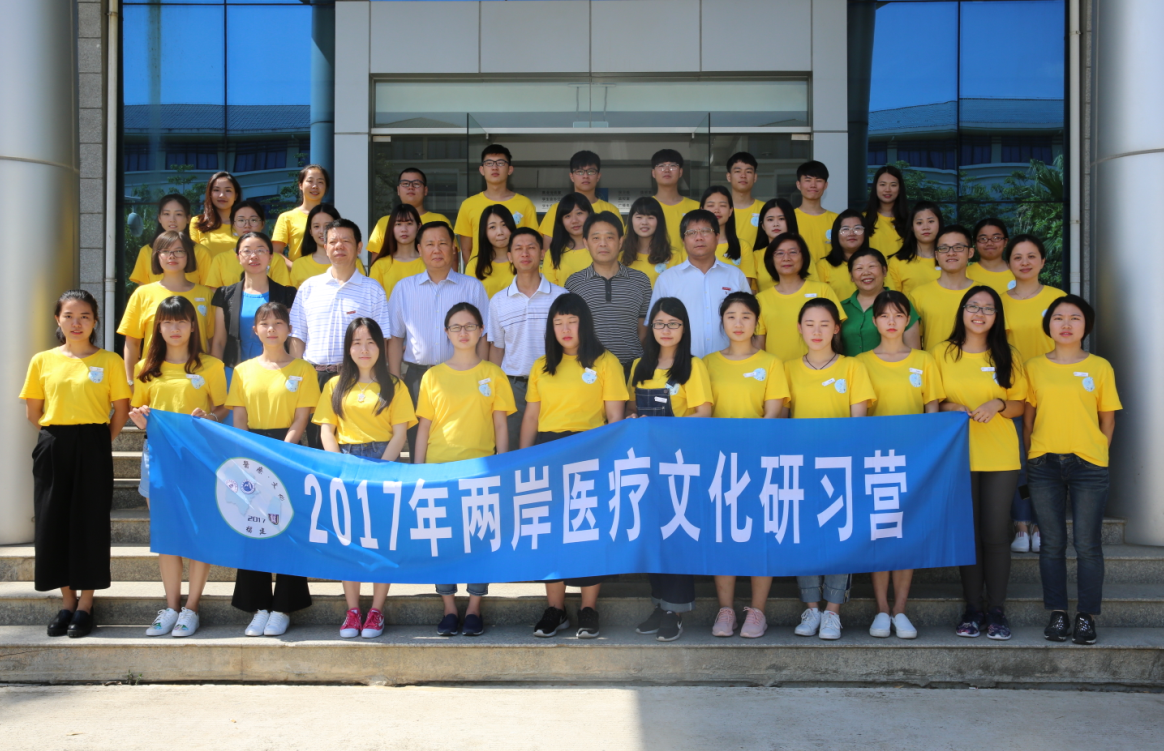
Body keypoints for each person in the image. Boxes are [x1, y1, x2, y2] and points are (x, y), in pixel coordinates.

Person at [20, 290, 131, 638]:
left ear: (95, 321)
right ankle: (66, 602)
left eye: (84, 316)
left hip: (94, 443)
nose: (76, 322)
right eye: (69, 315)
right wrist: (60, 438)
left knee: (90, 522)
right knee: (53, 522)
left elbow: (121, 411)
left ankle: (85, 604)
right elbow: (33, 412)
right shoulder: (42, 360)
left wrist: (97, 442)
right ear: (58, 319)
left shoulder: (110, 360)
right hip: (54, 444)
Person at [522, 293, 627, 639]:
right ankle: (555, 609)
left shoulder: (606, 362)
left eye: (572, 321)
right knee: (551, 531)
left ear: (585, 323)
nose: (565, 329)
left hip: (591, 450)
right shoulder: (541, 366)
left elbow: (614, 417)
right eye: (558, 322)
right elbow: (532, 416)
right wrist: (524, 459)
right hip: (548, 452)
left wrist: (610, 459)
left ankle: (588, 608)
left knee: (587, 529)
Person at [128, 296, 228, 638]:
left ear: (192, 326)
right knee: (167, 532)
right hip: (158, 455)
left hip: (198, 457)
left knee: (197, 530)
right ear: (158, 327)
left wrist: (210, 417)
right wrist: (141, 420)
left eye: (182, 321)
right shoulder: (145, 367)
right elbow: (139, 410)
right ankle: (171, 607)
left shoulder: (211, 366)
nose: (175, 328)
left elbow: (223, 408)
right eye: (168, 322)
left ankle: (192, 608)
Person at [414, 303, 516, 637]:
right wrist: (418, 472)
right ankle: (448, 608)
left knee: (479, 539)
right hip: (439, 470)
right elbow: (424, 428)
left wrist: (502, 466)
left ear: (481, 331)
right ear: (446, 333)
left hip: (481, 470)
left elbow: (500, 426)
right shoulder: (432, 376)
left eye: (470, 326)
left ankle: (473, 608)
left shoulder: (494, 374)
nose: (463, 333)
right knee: (442, 540)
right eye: (456, 327)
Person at [1024, 295, 1121, 645]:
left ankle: (1086, 617)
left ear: (1086, 325)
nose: (1066, 324)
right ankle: (1058, 614)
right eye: (1058, 317)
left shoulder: (1100, 367)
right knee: (1051, 543)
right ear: (1048, 325)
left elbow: (1108, 420)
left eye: (1074, 318)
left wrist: (1097, 456)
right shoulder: (1034, 367)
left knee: (1087, 544)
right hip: (1044, 464)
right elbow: (1029, 419)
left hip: (1088, 466)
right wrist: (1033, 455)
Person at [314, 318, 417, 639]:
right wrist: (339, 467)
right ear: (348, 348)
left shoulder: (394, 385)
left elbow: (400, 434)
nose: (364, 349)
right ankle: (353, 610)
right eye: (357, 342)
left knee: (381, 539)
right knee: (349, 539)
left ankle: (376, 610)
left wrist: (380, 471)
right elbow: (326, 430)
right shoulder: (334, 385)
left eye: (370, 342)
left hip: (383, 462)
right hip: (345, 463)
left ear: (381, 347)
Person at [936, 286, 1027, 640]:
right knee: (968, 533)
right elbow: (933, 401)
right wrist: (951, 407)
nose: (979, 313)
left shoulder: (1008, 354)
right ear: (962, 311)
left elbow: (1020, 404)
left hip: (1000, 455)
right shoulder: (942, 353)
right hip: (958, 455)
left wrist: (998, 404)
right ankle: (973, 609)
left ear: (997, 316)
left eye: (988, 308)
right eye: (973, 306)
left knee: (995, 532)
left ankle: (997, 610)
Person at [224, 301, 318, 637]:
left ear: (289, 329)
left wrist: (281, 453)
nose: (272, 329)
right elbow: (239, 417)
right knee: (254, 529)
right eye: (265, 323)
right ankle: (259, 606)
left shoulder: (303, 369)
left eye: (279, 323)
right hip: (252, 453)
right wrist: (249, 457)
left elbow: (301, 418)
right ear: (255, 330)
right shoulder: (243, 370)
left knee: (288, 528)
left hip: (289, 452)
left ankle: (283, 608)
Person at [856, 290, 945, 639]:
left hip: (915, 461)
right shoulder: (860, 362)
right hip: (876, 461)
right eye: (884, 315)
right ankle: (881, 610)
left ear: (908, 320)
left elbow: (932, 412)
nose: (891, 321)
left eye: (898, 315)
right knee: (880, 534)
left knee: (906, 534)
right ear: (874, 321)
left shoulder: (924, 360)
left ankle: (901, 610)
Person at [784, 298, 874, 640]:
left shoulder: (853, 367)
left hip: (840, 465)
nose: (817, 331)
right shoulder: (787, 369)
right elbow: (781, 422)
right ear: (799, 328)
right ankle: (811, 608)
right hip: (800, 466)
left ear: (837, 328)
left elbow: (859, 423)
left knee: (840, 535)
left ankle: (833, 611)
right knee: (803, 535)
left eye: (824, 324)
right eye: (809, 324)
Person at [626, 298, 713, 642]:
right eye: (660, 323)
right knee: (651, 534)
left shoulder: (693, 366)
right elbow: (630, 407)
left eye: (673, 324)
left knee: (675, 533)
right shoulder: (639, 365)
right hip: (645, 464)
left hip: (680, 463)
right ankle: (660, 604)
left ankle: (675, 611)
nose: (666, 330)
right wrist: (635, 418)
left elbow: (704, 413)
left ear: (684, 328)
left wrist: (668, 427)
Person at [705, 292, 789, 639]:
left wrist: (753, 446)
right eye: (731, 316)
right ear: (722, 322)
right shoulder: (706, 363)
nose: (738, 323)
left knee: (760, 534)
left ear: (757, 322)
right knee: (723, 534)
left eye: (746, 317)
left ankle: (757, 611)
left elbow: (775, 412)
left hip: (759, 460)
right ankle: (726, 609)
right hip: (719, 462)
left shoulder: (771, 363)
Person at [387, 221, 490, 453]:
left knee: (458, 439)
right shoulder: (404, 288)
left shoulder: (472, 287)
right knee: (417, 439)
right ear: (419, 249)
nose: (437, 249)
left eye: (443, 243)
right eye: (430, 244)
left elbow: (484, 337)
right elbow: (395, 338)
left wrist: (481, 375)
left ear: (453, 247)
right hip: (417, 377)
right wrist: (395, 380)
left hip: (463, 375)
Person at [288, 218, 391, 449]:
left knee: (353, 445)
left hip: (357, 378)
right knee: (316, 445)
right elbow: (297, 337)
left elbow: (381, 340)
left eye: (346, 241)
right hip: (314, 378)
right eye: (333, 241)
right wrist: (297, 379)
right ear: (325, 247)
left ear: (359, 247)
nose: (339, 246)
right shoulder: (309, 287)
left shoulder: (372, 289)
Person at [1003, 235, 1066, 553]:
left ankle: (1043, 524)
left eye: (1031, 256)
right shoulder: (998, 302)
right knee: (1019, 462)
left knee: (1049, 461)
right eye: (1017, 257)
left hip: (1051, 392)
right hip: (1014, 394)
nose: (1025, 262)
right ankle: (1021, 524)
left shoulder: (1058, 299)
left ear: (1043, 261)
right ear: (1008, 263)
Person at [487, 228, 567, 451]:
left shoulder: (561, 297)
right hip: (514, 388)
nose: (525, 253)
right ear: (510, 256)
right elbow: (497, 349)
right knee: (514, 452)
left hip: (554, 383)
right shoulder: (498, 301)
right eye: (518, 249)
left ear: (542, 253)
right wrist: (495, 390)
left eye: (531, 247)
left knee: (554, 451)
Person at [118, 230, 216, 386]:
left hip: (197, 380)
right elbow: (132, 343)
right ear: (157, 256)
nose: (172, 256)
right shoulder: (142, 294)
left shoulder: (206, 294)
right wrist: (131, 382)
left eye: (179, 251)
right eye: (165, 251)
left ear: (189, 255)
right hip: (154, 379)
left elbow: (212, 340)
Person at [650, 210, 750, 358]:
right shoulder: (667, 279)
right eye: (691, 233)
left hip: (729, 363)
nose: (699, 237)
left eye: (705, 231)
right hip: (682, 364)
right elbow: (655, 326)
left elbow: (749, 320)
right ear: (683, 240)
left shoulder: (735, 276)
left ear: (717, 237)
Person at [564, 212, 652, 375]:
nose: (603, 244)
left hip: (632, 370)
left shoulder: (640, 280)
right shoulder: (574, 283)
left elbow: (644, 330)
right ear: (586, 243)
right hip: (589, 370)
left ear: (620, 242)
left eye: (609, 237)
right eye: (596, 238)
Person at [210, 232, 297, 373]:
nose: (254, 256)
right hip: (234, 372)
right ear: (238, 257)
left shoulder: (286, 294)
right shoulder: (225, 295)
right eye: (247, 251)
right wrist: (216, 375)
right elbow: (219, 342)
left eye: (260, 250)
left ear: (270, 257)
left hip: (277, 371)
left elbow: (292, 339)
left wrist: (294, 371)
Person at [754, 233, 846, 363]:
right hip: (778, 371)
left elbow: (836, 334)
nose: (786, 258)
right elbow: (759, 343)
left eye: (793, 252)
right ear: (771, 260)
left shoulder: (822, 290)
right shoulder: (761, 299)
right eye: (779, 253)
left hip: (819, 368)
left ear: (804, 257)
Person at [454, 145, 539, 264]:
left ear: (510, 169)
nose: (494, 167)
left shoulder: (525, 204)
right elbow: (466, 249)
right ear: (482, 170)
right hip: (480, 273)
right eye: (489, 163)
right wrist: (474, 272)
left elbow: (533, 244)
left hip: (516, 273)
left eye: (500, 163)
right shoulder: (468, 205)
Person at [840, 247, 921, 356]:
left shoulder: (901, 304)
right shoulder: (841, 308)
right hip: (849, 367)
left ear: (884, 270)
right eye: (859, 268)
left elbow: (914, 353)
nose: (866, 272)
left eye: (872, 266)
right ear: (851, 276)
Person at [909, 225, 977, 351]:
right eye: (944, 248)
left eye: (958, 247)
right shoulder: (918, 295)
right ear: (936, 254)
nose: (951, 253)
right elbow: (913, 348)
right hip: (932, 363)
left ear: (970, 252)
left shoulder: (984, 294)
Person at [202, 200, 293, 288]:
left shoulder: (275, 259)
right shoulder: (220, 260)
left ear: (262, 223)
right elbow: (214, 293)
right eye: (241, 220)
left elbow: (282, 293)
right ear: (233, 225)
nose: (247, 225)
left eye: (253, 220)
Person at [539, 150, 624, 243]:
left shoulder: (611, 210)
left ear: (598, 176)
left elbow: (618, 244)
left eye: (591, 171)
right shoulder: (556, 209)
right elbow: (548, 247)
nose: (585, 176)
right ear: (571, 176)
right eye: (580, 172)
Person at [366, 167, 452, 259]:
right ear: (398, 190)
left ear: (425, 190)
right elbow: (376, 261)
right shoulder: (384, 222)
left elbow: (451, 258)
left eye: (416, 184)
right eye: (405, 184)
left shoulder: (440, 220)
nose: (411, 187)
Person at [128, 194, 213, 286]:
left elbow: (209, 291)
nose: (172, 220)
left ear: (188, 218)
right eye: (166, 214)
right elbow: (143, 291)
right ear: (159, 218)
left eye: (178, 214)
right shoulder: (146, 251)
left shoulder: (202, 252)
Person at [291, 204, 367, 289]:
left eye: (327, 226)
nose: (322, 231)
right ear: (310, 231)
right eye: (316, 226)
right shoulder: (299, 265)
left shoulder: (354, 262)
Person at [272, 164, 330, 269]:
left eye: (320, 182)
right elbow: (276, 252)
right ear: (300, 185)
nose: (315, 186)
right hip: (298, 276)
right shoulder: (286, 217)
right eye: (310, 181)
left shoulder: (332, 217)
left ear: (326, 187)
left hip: (328, 274)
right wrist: (297, 269)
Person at [619, 196, 685, 286]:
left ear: (659, 221)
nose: (644, 222)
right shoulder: (619, 259)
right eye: (639, 217)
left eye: (650, 217)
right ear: (631, 220)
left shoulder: (674, 258)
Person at [701, 185, 757, 284]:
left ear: (730, 211)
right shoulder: (692, 246)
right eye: (711, 205)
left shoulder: (743, 247)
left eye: (722, 205)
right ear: (702, 210)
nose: (716, 210)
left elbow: (745, 287)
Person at [366, 204, 423, 299]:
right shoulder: (380, 266)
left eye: (409, 223)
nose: (404, 229)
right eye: (398, 224)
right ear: (391, 228)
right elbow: (372, 302)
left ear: (419, 227)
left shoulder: (429, 263)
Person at [887, 201, 943, 296]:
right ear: (912, 227)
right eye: (919, 223)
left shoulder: (950, 258)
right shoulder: (897, 262)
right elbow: (893, 300)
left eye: (931, 221)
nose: (925, 227)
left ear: (939, 223)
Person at [650, 149, 701, 252]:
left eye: (673, 166)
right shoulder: (644, 207)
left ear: (680, 172)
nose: (667, 170)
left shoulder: (697, 208)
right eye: (661, 166)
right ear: (653, 173)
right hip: (654, 262)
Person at [792, 160, 838, 274]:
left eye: (818, 180)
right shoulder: (788, 218)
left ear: (825, 185)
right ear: (798, 184)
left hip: (830, 278)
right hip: (798, 278)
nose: (813, 185)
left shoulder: (837, 220)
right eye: (808, 180)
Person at [541, 192, 595, 286]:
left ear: (589, 214)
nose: (574, 220)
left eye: (579, 213)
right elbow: (550, 290)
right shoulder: (552, 254)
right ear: (561, 221)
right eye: (567, 216)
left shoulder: (601, 248)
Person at [816, 209, 868, 301]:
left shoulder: (876, 262)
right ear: (836, 234)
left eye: (857, 228)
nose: (851, 233)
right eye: (845, 229)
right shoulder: (823, 266)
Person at [189, 171, 242, 258]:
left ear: (236, 196)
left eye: (228, 190)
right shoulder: (198, 222)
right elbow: (193, 257)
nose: (222, 195)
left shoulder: (244, 224)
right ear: (210, 194)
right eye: (216, 190)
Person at [470, 204, 518, 298]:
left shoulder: (524, 260)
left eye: (504, 225)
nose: (500, 232)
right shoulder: (474, 265)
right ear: (484, 232)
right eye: (492, 227)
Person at [751, 198, 799, 292]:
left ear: (790, 222)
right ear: (763, 226)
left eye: (781, 219)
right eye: (770, 219)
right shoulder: (755, 257)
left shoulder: (801, 253)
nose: (776, 224)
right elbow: (752, 293)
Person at [863, 165, 908, 257]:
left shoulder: (910, 220)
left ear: (900, 188)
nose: (887, 189)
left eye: (893, 185)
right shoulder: (863, 219)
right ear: (875, 187)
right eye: (882, 184)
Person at [726, 152, 766, 251]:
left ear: (755, 177)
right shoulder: (719, 210)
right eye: (737, 171)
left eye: (748, 171)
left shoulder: (766, 210)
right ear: (729, 177)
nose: (743, 175)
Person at [967, 218, 1015, 295]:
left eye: (996, 238)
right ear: (975, 243)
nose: (989, 243)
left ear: (1005, 242)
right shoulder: (965, 274)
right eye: (983, 239)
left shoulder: (1018, 272)